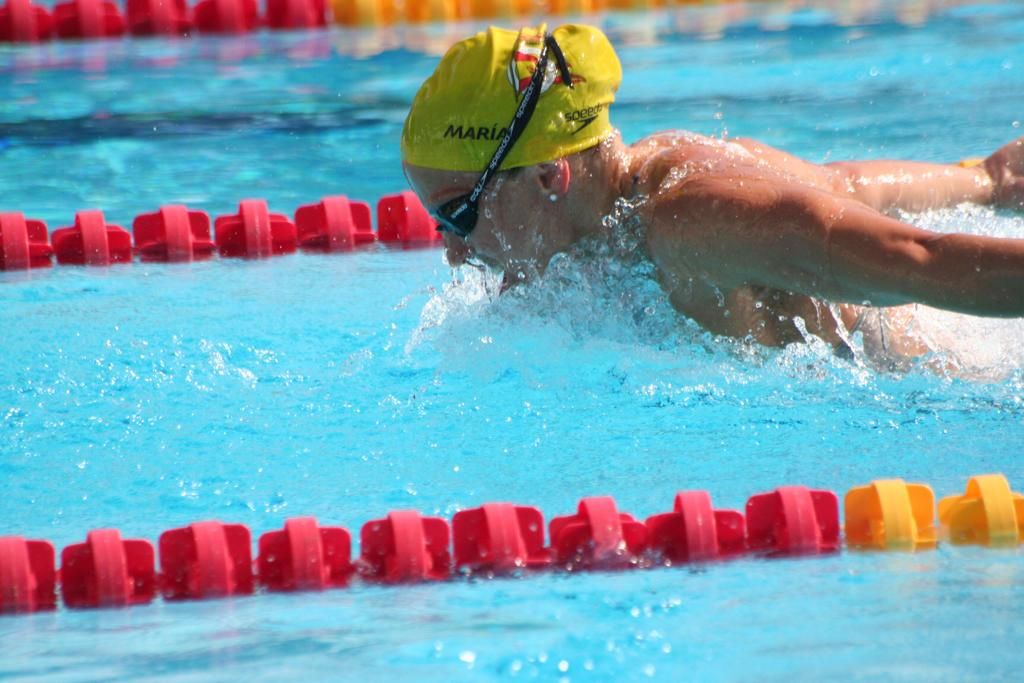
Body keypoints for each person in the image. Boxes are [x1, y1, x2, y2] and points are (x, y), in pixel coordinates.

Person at [400, 24, 1024, 364]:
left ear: (547, 177)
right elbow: (840, 186)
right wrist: (987, 181)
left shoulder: (693, 220)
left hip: (938, 382)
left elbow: (919, 259)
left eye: (459, 213)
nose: (455, 253)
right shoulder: (587, 234)